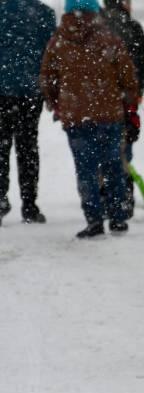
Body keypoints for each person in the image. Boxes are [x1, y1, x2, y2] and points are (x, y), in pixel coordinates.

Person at [40, 0, 139, 238]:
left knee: (85, 169)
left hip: (75, 117)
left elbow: (47, 78)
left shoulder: (58, 41)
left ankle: (94, 220)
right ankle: (117, 218)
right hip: (109, 115)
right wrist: (128, 100)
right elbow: (128, 77)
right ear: (95, 11)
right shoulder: (109, 39)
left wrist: (58, 104)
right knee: (113, 166)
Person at [0, 0, 56, 227]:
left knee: (1, 147)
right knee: (28, 147)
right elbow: (52, 53)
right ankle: (30, 205)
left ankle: (0, 200)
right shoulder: (44, 13)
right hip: (31, 91)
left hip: (1, 90)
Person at [100, 0, 144, 217]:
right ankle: (123, 199)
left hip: (99, 99)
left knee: (100, 147)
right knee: (124, 147)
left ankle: (103, 196)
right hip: (126, 99)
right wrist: (137, 91)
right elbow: (141, 62)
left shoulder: (97, 25)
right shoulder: (133, 27)